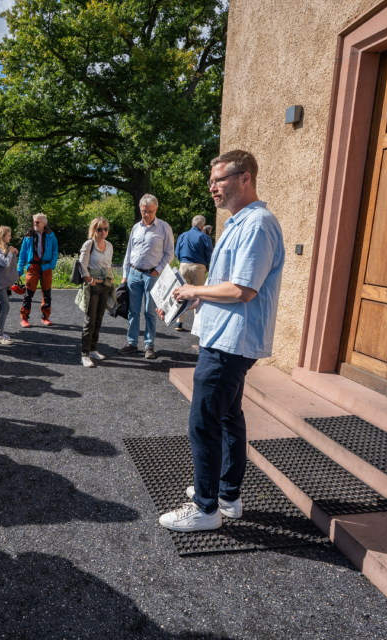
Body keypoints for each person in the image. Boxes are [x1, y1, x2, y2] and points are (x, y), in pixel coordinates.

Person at [157, 150, 284, 532]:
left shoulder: (257, 224)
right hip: (226, 337)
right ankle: (226, 496)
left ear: (245, 178)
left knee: (203, 423)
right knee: (228, 417)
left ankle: (205, 507)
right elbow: (228, 287)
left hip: (231, 342)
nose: (212, 187)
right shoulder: (238, 222)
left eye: (220, 179)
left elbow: (243, 290)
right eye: (211, 181)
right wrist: (188, 299)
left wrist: (194, 289)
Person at [119, 194, 175, 359]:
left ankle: (149, 346)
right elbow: (129, 253)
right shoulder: (136, 228)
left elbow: (169, 253)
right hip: (134, 274)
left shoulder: (164, 227)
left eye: (150, 211)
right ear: (140, 209)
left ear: (156, 209)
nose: (146, 214)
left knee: (150, 312)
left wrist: (157, 270)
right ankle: (132, 343)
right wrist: (125, 276)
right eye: (144, 211)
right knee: (133, 311)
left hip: (152, 275)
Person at [78, 217, 115, 368]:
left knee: (99, 319)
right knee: (90, 321)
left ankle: (93, 349)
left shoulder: (109, 245)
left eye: (106, 229)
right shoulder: (89, 244)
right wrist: (90, 281)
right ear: (94, 230)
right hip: (93, 287)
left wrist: (111, 278)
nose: (103, 232)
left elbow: (109, 265)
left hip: (105, 286)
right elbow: (82, 265)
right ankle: (84, 354)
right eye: (99, 229)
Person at [17, 214, 59, 327]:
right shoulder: (28, 236)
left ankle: (45, 317)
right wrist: (19, 269)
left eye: (38, 222)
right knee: (28, 294)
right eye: (34, 222)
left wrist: (52, 266)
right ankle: (24, 318)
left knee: (47, 294)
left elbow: (55, 250)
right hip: (32, 267)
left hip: (46, 267)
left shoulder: (51, 235)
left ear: (44, 224)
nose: (35, 224)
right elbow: (22, 253)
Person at [174, 215, 214, 331]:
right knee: (199, 295)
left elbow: (177, 252)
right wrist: (206, 265)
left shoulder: (183, 235)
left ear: (192, 224)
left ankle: (179, 322)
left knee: (182, 294)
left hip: (184, 265)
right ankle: (197, 324)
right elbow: (209, 254)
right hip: (199, 267)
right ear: (202, 226)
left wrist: (183, 260)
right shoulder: (205, 237)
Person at [0, 225, 19, 345]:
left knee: (4, 306)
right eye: (8, 235)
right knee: (5, 306)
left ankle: (0, 333)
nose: (10, 237)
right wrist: (11, 253)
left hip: (5, 281)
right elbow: (5, 263)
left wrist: (14, 253)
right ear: (2, 236)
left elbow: (10, 261)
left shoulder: (5, 247)